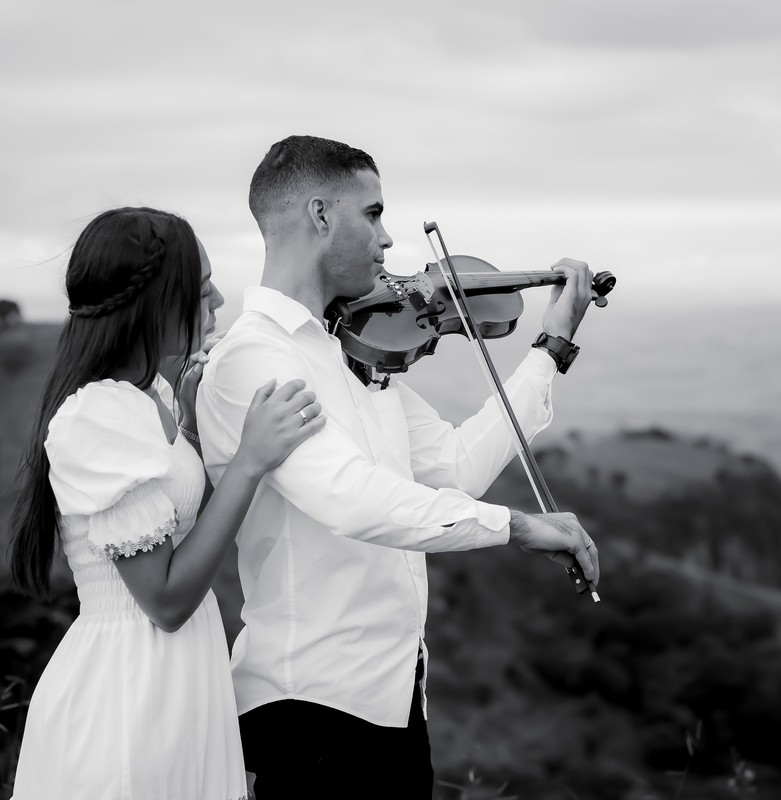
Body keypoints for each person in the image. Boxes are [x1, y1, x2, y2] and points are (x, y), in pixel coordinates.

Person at [196, 136, 601, 799]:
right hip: (313, 711)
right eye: (374, 213)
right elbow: (352, 500)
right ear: (321, 216)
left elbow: (459, 467)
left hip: (393, 698)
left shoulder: (356, 360)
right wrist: (520, 529)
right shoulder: (252, 360)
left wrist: (551, 347)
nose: (388, 242)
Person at [7, 206, 325, 800]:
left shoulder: (150, 394)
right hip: (132, 690)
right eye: (201, 291)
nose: (219, 301)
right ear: (154, 303)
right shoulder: (97, 417)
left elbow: (176, 522)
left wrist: (195, 431)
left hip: (181, 676)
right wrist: (250, 461)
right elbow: (166, 600)